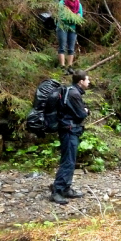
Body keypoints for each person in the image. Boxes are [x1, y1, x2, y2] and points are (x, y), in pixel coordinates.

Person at [51, 70, 90, 205]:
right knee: (68, 161)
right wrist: (86, 111)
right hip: (69, 130)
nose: (89, 82)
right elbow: (81, 114)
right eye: (87, 80)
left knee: (69, 160)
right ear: (81, 81)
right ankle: (57, 191)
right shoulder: (74, 93)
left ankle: (66, 188)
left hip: (68, 129)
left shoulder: (70, 91)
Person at [56, 0, 84, 75]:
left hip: (73, 28)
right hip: (62, 27)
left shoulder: (78, 5)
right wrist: (74, 17)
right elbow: (62, 17)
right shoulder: (62, 3)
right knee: (62, 47)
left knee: (71, 48)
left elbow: (80, 17)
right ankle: (62, 66)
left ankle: (70, 67)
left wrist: (75, 17)